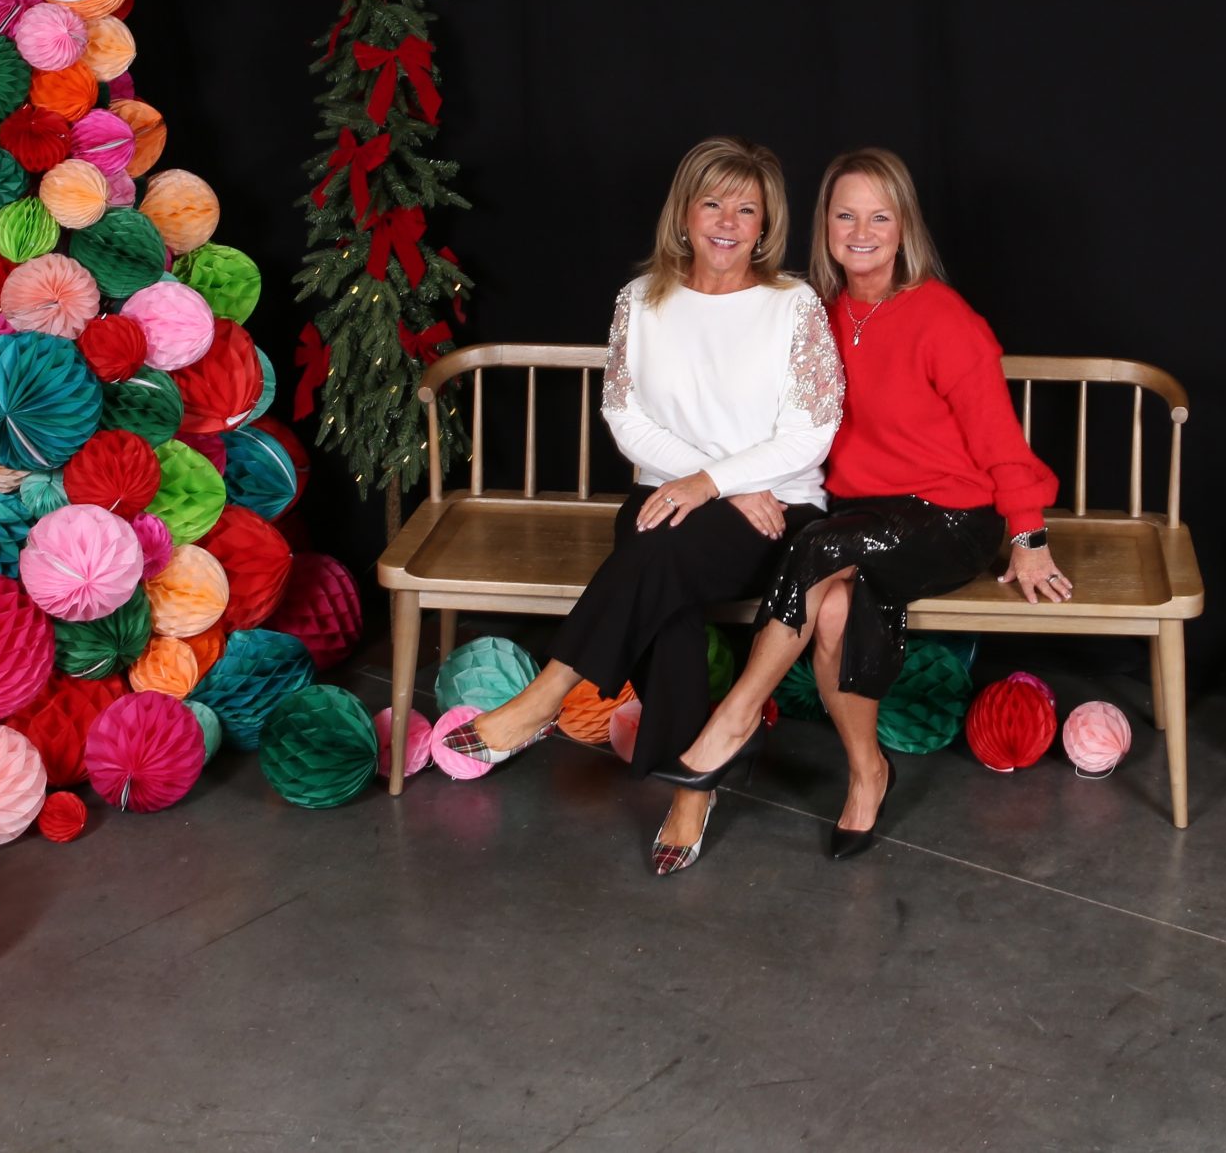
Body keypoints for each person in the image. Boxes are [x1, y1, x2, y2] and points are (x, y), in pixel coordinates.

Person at [438, 136, 842, 876]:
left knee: (654, 554)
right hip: (670, 491)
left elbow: (811, 431)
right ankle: (692, 790)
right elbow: (625, 417)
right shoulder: (641, 300)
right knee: (664, 580)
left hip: (777, 509)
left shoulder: (793, 305)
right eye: (713, 203)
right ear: (685, 213)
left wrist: (715, 485)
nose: (728, 222)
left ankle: (547, 693)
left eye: (746, 209)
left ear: (765, 225)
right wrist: (710, 481)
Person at [654, 148, 1066, 859]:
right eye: (846, 215)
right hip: (859, 518)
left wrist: (1028, 535)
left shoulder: (942, 317)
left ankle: (735, 717)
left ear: (904, 228)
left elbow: (1001, 439)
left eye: (880, 216)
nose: (862, 231)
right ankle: (868, 771)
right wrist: (735, 476)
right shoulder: (815, 313)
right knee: (836, 608)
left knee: (817, 546)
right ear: (826, 226)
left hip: (950, 519)